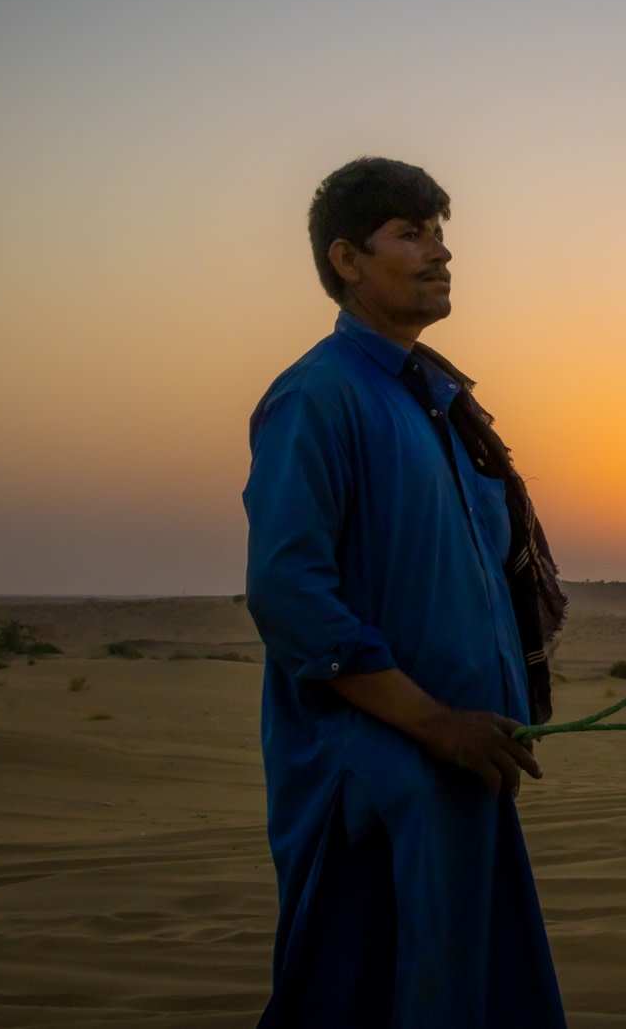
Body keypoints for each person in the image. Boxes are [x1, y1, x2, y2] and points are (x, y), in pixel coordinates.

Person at [243, 156, 568, 1027]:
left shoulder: (438, 403)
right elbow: (289, 597)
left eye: (441, 233)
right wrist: (433, 724)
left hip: (464, 773)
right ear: (348, 260)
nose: (440, 253)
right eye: (413, 234)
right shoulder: (320, 397)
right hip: (377, 788)